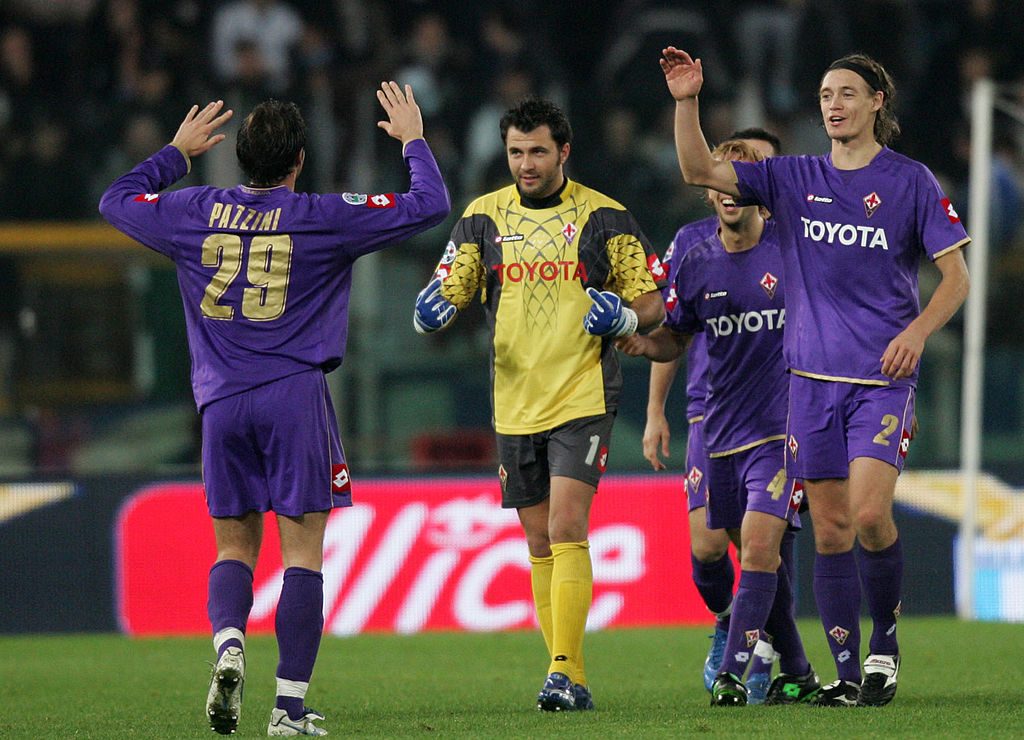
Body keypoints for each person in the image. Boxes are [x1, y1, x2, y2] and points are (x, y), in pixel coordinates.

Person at [99, 85, 450, 735]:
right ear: (298, 162)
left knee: (233, 545)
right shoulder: (323, 214)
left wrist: (174, 154)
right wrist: (412, 140)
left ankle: (229, 643)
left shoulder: (190, 210)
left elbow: (114, 201)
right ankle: (288, 707)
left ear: (239, 157)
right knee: (302, 555)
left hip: (221, 403)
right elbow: (431, 204)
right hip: (293, 396)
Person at [660, 46, 970, 706]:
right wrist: (686, 101)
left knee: (868, 515)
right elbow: (697, 169)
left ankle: (884, 639)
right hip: (809, 382)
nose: (834, 103)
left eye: (848, 93)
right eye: (826, 94)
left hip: (881, 377)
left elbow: (957, 277)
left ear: (876, 103)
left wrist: (916, 332)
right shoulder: (792, 177)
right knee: (829, 530)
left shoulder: (911, 180)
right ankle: (850, 675)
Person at [411, 96, 666, 712]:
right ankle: (569, 678)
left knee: (566, 525)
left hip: (582, 392)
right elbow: (451, 289)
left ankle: (563, 671)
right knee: (538, 542)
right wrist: (428, 313)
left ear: (563, 152)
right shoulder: (480, 218)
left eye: (537, 152)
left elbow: (655, 301)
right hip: (514, 400)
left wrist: (628, 313)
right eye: (516, 153)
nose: (525, 164)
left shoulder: (606, 218)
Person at [622, 138, 817, 707]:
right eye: (721, 178)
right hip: (713, 420)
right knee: (710, 552)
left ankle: (737, 667)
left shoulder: (794, 244)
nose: (729, 188)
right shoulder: (691, 248)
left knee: (760, 548)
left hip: (782, 426)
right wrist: (644, 360)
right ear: (709, 190)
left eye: (744, 176)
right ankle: (773, 650)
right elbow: (674, 335)